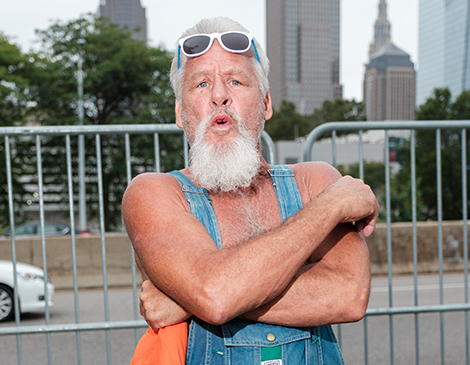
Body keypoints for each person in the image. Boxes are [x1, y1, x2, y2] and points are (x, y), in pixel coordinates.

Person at [122, 16, 379, 365]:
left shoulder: (313, 180)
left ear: (266, 104)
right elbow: (213, 295)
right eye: (200, 84)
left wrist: (189, 297)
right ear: (181, 114)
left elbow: (349, 294)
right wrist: (328, 208)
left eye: (236, 81)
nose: (218, 96)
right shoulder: (154, 193)